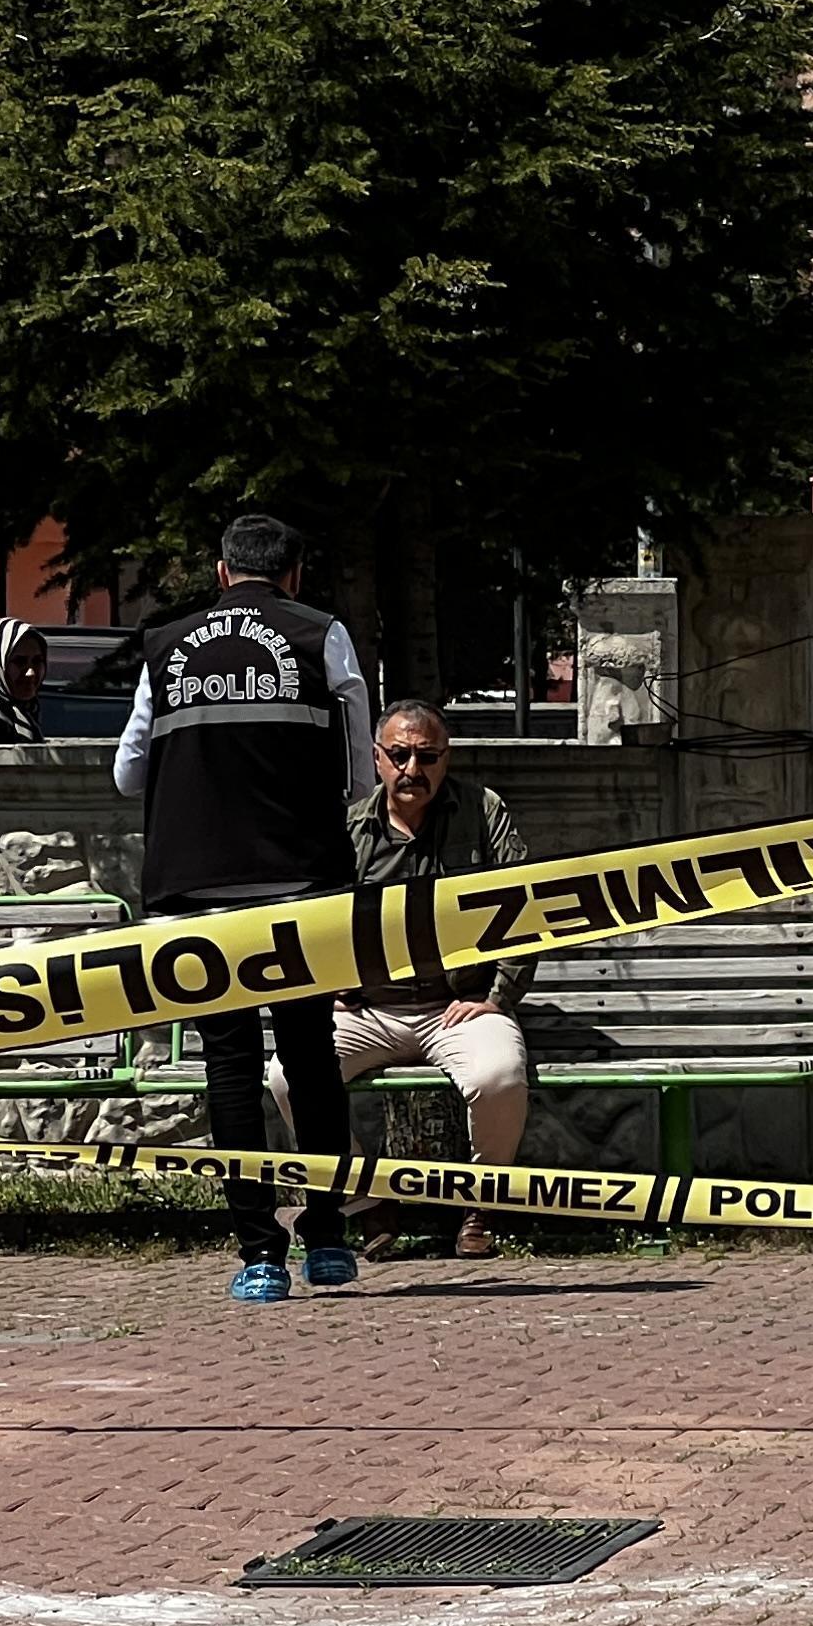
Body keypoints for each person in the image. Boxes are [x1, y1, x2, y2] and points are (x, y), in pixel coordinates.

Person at [112, 512, 374, 1302]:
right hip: (301, 884)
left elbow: (128, 772)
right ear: (293, 574)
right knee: (311, 1058)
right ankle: (327, 1240)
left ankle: (259, 1255)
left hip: (197, 891)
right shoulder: (321, 635)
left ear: (222, 572)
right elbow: (360, 775)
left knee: (229, 1066)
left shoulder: (165, 644)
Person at [330, 701, 537, 1259]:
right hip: (369, 1010)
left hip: (458, 1004)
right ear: (377, 758)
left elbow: (526, 906)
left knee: (500, 1076)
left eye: (427, 756)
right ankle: (367, 1201)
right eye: (399, 755)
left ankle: (481, 1207)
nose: (412, 770)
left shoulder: (483, 812)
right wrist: (332, 986)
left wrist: (498, 996)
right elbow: (316, 917)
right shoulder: (349, 828)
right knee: (288, 1078)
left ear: (447, 758)